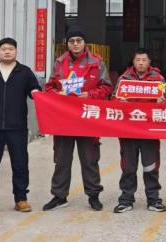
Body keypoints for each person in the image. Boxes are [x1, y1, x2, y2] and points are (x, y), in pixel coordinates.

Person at [42, 27, 113, 212]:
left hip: (87, 118)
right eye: (72, 41)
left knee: (90, 159)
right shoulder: (59, 63)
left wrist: (89, 95)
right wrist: (58, 94)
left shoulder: (96, 62)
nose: (75, 44)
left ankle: (93, 195)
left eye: (79, 41)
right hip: (64, 119)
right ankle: (59, 196)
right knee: (62, 159)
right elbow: (49, 87)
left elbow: (106, 87)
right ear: (67, 44)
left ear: (84, 43)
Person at [0, 38, 41, 214]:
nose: (7, 52)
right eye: (3, 49)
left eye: (10, 49)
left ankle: (21, 199)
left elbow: (35, 90)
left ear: (16, 51)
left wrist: (36, 91)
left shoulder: (25, 72)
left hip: (17, 127)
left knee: (20, 164)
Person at [113, 48, 166, 213]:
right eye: (138, 60)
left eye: (144, 60)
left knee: (151, 166)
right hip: (128, 131)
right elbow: (112, 100)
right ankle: (126, 200)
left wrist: (162, 102)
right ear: (133, 62)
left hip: (149, 131)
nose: (141, 63)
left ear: (149, 62)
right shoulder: (124, 79)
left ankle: (153, 199)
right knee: (128, 167)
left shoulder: (158, 79)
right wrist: (119, 101)